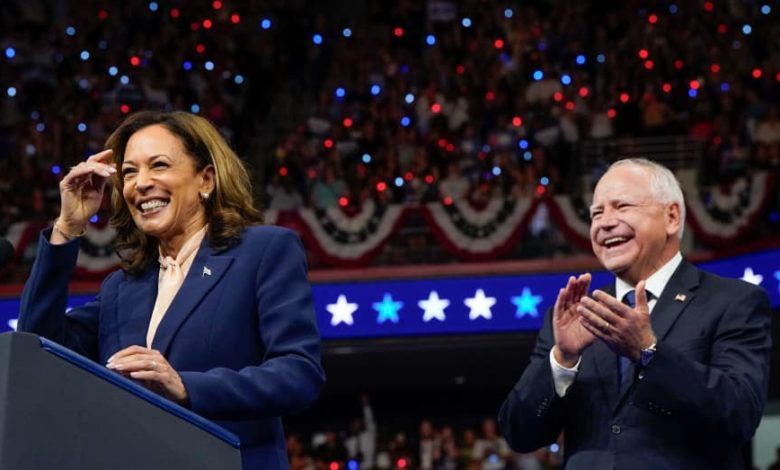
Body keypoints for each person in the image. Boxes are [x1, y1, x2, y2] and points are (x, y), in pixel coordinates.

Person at [18, 110, 326, 469]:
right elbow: (37, 350)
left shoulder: (263, 252)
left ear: (206, 179)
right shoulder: (121, 288)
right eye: (129, 172)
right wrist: (67, 227)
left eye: (158, 165)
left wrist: (186, 387)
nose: (141, 183)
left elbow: (299, 373)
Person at [498, 158, 771, 468]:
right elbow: (519, 433)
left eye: (622, 207)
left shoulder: (733, 302)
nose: (605, 222)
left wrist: (649, 353)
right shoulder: (576, 316)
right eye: (596, 213)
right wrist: (562, 361)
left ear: (671, 217)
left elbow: (740, 415)